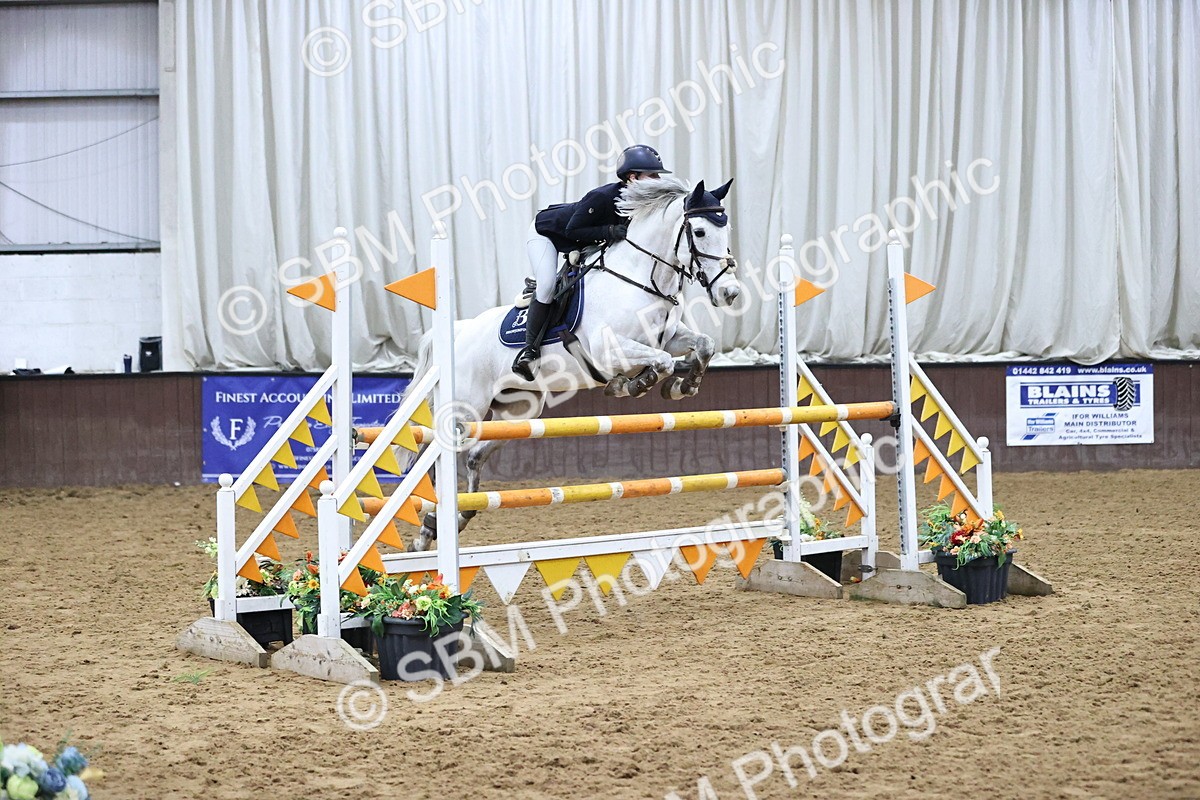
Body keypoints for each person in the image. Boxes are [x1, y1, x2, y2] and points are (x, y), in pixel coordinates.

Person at [511, 144, 671, 380]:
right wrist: (608, 230)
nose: (658, 180)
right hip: (548, 234)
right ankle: (529, 351)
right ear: (633, 177)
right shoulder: (602, 197)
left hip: (581, 240)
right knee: (547, 286)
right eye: (653, 175)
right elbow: (572, 229)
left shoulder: (641, 204)